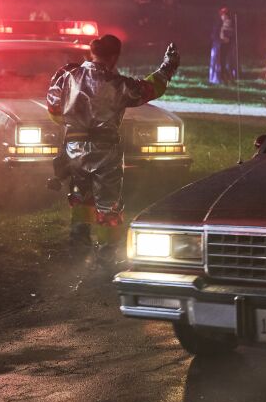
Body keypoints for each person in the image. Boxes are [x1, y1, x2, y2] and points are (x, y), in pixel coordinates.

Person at [47, 35, 179, 264]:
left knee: (80, 197)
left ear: (92, 52)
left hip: (73, 149)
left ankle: (78, 247)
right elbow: (149, 89)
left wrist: (73, 124)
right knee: (108, 205)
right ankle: (107, 256)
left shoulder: (68, 76)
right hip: (105, 152)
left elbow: (53, 108)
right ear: (114, 57)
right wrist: (168, 66)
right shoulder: (118, 84)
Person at [208, 7, 238, 85]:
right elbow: (214, 35)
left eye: (226, 15)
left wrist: (229, 39)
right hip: (218, 46)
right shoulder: (218, 23)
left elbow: (232, 34)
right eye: (223, 15)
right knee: (219, 62)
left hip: (227, 46)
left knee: (226, 61)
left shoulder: (230, 23)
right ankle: (217, 77)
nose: (224, 17)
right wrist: (220, 39)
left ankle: (227, 76)